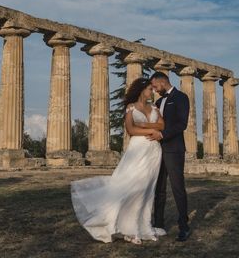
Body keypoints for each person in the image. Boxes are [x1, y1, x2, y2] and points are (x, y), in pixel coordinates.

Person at [70, 77, 167, 244]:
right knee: (133, 187)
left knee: (147, 190)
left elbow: (162, 125)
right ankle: (129, 229)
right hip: (138, 150)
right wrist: (150, 130)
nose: (153, 91)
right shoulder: (131, 108)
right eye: (150, 89)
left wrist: (145, 126)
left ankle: (144, 226)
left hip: (153, 152)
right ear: (142, 90)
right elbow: (130, 129)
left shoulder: (154, 107)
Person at [146, 71, 191, 242]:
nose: (155, 90)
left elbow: (182, 124)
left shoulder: (181, 97)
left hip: (174, 149)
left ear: (162, 81)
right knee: (159, 189)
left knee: (177, 188)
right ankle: (158, 224)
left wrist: (163, 135)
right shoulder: (158, 101)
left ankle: (184, 226)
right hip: (157, 151)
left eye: (155, 86)